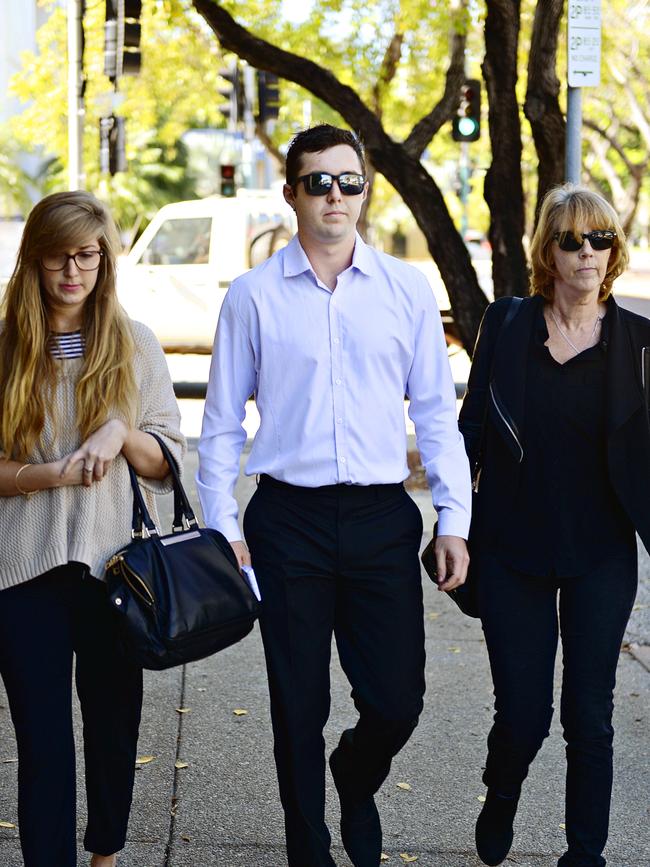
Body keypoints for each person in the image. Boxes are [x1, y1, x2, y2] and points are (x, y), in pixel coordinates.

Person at [197, 124, 471, 867]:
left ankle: (355, 773)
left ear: (365, 189)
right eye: (318, 181)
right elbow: (221, 426)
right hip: (288, 520)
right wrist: (223, 527)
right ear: (291, 193)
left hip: (384, 516)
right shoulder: (253, 297)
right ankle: (308, 850)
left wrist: (453, 517)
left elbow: (436, 413)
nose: (335, 195)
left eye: (349, 180)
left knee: (396, 700)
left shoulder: (406, 291)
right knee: (296, 705)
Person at [459, 183, 650, 867]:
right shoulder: (508, 326)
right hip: (514, 550)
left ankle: (584, 852)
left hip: (601, 552)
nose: (587, 252)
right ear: (548, 250)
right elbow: (471, 434)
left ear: (614, 249)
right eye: (571, 240)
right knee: (525, 715)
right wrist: (454, 529)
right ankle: (501, 790)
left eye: (599, 238)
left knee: (589, 716)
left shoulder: (639, 342)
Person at [0, 190, 185, 867]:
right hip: (22, 574)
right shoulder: (7, 346)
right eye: (58, 257)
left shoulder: (134, 344)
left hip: (116, 572)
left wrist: (119, 430)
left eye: (86, 255)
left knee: (112, 731)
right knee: (43, 743)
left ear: (105, 260)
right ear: (35, 261)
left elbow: (169, 461)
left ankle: (104, 850)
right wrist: (46, 475)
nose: (73, 271)